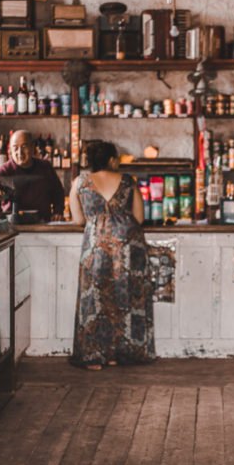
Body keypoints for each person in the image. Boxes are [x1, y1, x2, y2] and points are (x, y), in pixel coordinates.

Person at [68, 141, 155, 370]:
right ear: (111, 159)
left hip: (95, 246)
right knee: (123, 300)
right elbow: (139, 217)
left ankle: (94, 357)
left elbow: (78, 220)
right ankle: (118, 354)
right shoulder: (127, 181)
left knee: (94, 300)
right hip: (127, 246)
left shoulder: (80, 183)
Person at [0, 130, 65, 221]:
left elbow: (58, 193)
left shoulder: (45, 167)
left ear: (32, 147)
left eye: (24, 146)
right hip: (13, 225)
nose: (20, 152)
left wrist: (58, 212)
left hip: (42, 224)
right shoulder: (4, 171)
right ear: (10, 151)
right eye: (15, 148)